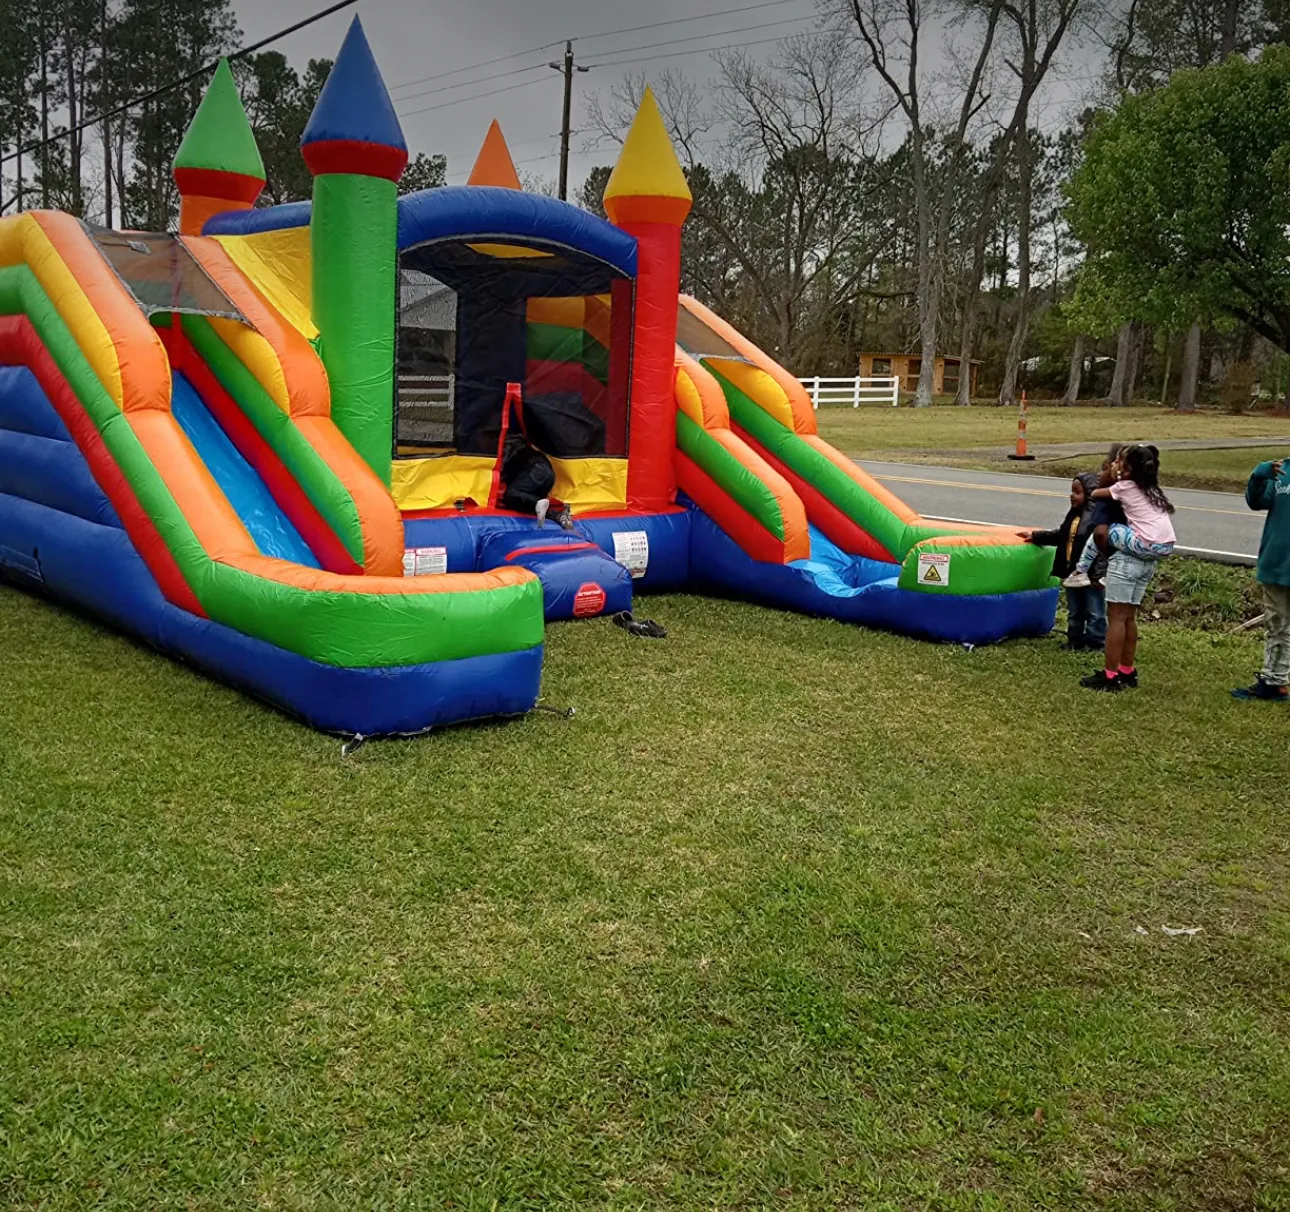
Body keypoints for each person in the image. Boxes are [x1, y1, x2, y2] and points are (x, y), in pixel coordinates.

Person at [1077, 444, 1177, 692]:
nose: (1112, 467)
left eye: (1117, 464)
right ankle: (1127, 670)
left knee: (1117, 619)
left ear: (1126, 470)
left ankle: (1110, 677)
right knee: (1130, 617)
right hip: (1152, 557)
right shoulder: (1151, 489)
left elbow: (1099, 525)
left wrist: (1110, 478)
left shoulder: (1120, 490)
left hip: (1128, 560)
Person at [1026, 472, 1107, 650]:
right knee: (1075, 610)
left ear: (1089, 494)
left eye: (1077, 492)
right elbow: (1061, 536)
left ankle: (1095, 642)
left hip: (1091, 576)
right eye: (1071, 491)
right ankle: (1075, 640)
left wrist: (1098, 574)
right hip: (1072, 573)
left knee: (1095, 611)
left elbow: (1102, 549)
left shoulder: (1096, 520)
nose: (1072, 495)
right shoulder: (1073, 517)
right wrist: (1036, 536)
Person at [1232, 456, 1290, 701]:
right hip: (1277, 562)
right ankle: (1274, 682)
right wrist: (1259, 475)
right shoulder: (1282, 470)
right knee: (1277, 625)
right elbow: (1257, 501)